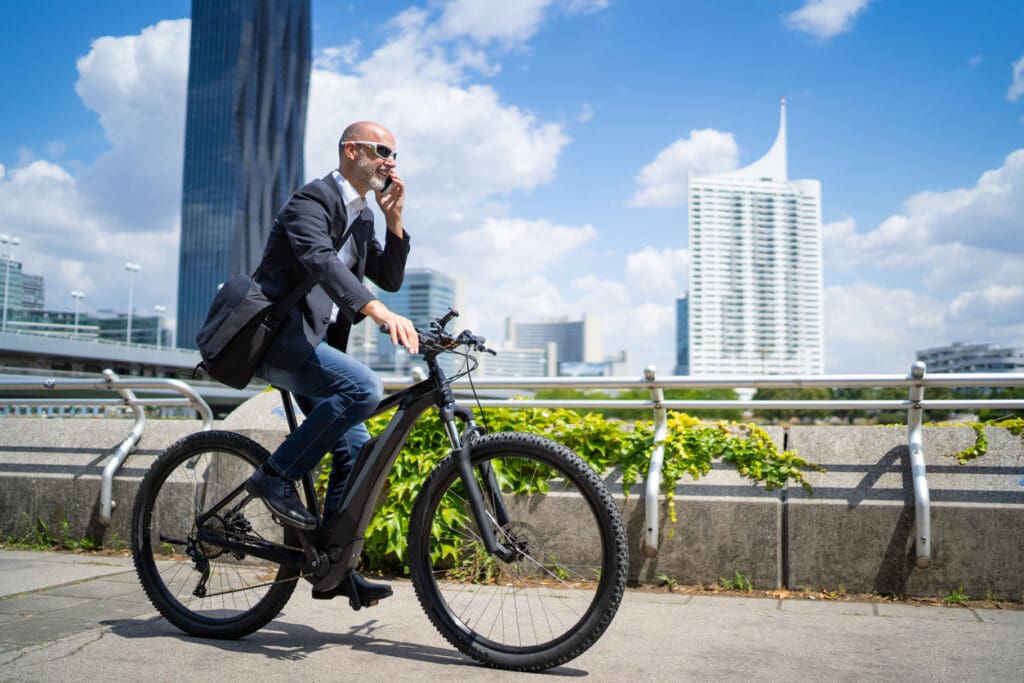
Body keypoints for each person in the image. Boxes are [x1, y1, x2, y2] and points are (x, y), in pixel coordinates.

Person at [244, 121, 418, 603]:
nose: (391, 162)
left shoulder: (363, 217)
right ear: (351, 150)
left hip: (315, 348)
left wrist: (394, 220)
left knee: (357, 453)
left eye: (394, 155)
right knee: (364, 388)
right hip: (278, 340)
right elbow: (320, 260)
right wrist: (376, 311)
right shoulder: (311, 201)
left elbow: (389, 277)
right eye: (382, 151)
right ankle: (274, 477)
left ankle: (331, 567)